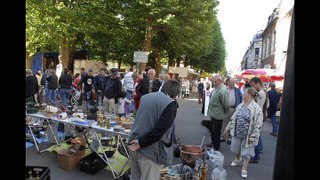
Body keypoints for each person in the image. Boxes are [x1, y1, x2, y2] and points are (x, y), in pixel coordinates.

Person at [128, 80, 181, 180]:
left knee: (135, 177)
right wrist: (141, 143)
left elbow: (139, 118)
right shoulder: (170, 104)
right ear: (176, 94)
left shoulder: (146, 97)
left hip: (134, 142)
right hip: (149, 150)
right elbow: (160, 130)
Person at [224, 87, 263, 179]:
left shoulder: (256, 108)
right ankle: (238, 159)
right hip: (237, 132)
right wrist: (227, 128)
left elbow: (258, 124)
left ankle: (244, 169)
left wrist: (254, 136)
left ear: (249, 94)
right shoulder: (241, 105)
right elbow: (233, 118)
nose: (242, 94)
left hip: (249, 135)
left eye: (244, 92)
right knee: (236, 149)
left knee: (247, 152)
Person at [207, 75, 230, 150]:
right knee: (213, 131)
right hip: (214, 114)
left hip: (218, 114)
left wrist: (226, 113)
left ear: (220, 81)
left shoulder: (223, 90)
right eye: (213, 81)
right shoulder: (217, 88)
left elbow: (226, 104)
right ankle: (213, 144)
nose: (213, 83)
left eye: (215, 81)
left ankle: (216, 147)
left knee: (216, 132)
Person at [249, 77, 268, 163]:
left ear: (258, 84)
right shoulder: (263, 92)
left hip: (258, 117)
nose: (252, 87)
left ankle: (256, 156)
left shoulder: (261, 93)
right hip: (262, 116)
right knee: (258, 136)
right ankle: (259, 151)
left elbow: (258, 108)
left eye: (253, 85)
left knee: (255, 137)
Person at [221, 77, 243, 144]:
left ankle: (230, 137)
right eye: (231, 82)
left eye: (234, 83)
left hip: (234, 108)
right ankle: (224, 136)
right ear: (228, 82)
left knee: (232, 123)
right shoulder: (224, 89)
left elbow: (241, 99)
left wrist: (239, 108)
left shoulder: (237, 90)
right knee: (224, 123)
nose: (232, 84)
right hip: (226, 108)